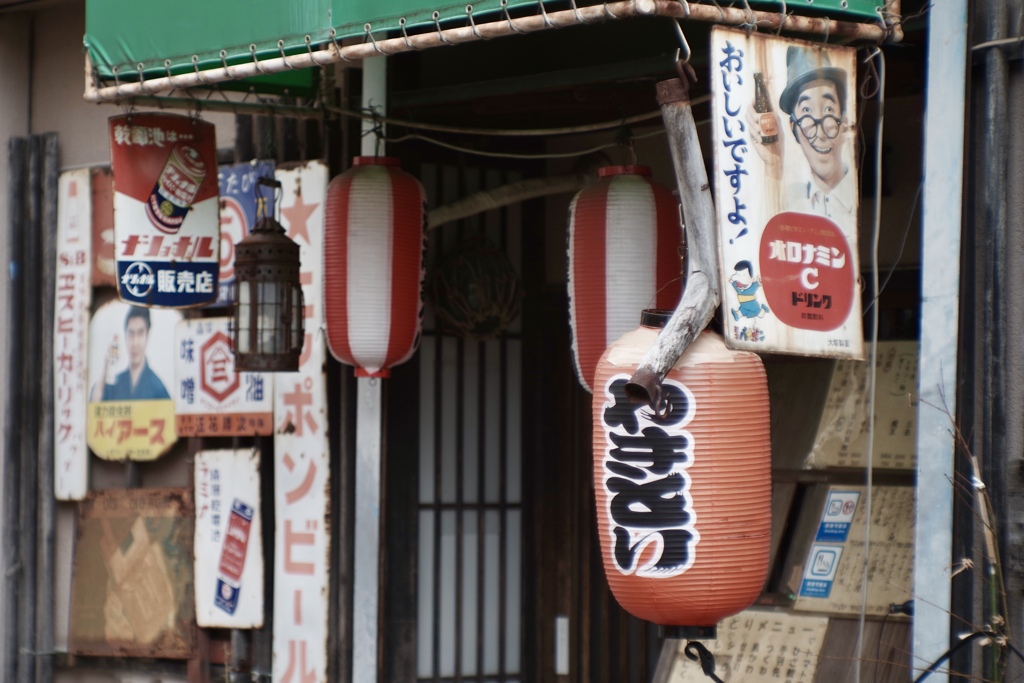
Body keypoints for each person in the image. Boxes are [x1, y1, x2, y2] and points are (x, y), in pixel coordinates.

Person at [749, 46, 855, 220]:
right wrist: (773, 164)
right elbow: (767, 241)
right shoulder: (791, 201)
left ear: (843, 121)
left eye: (828, 109)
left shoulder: (858, 194)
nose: (820, 132)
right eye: (806, 111)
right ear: (793, 127)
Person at [92, 306, 170, 401]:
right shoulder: (117, 382)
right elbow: (95, 404)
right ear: (125, 336)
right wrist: (106, 365)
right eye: (131, 334)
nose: (134, 343)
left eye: (140, 333)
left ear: (147, 335)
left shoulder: (158, 388)